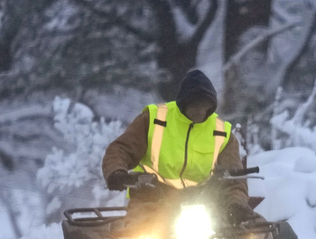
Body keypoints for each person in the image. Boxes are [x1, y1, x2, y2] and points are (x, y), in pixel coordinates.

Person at [101, 69, 260, 225]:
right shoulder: (155, 119)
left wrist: (236, 204)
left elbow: (235, 179)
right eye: (194, 105)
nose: (199, 110)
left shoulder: (222, 133)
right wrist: (117, 173)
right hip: (151, 199)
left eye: (205, 105)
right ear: (183, 103)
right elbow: (121, 149)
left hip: (206, 206)